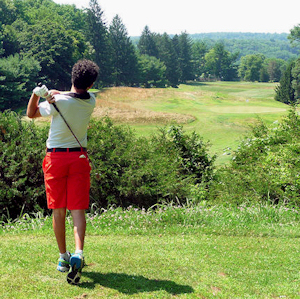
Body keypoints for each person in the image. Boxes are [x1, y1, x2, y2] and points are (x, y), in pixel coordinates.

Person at [27, 59, 99, 284]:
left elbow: (31, 114)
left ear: (72, 77)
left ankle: (62, 258)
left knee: (58, 210)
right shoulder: (91, 101)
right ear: (90, 84)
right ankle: (78, 252)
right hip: (78, 157)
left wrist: (37, 94)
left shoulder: (58, 100)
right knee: (77, 209)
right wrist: (55, 96)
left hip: (56, 158)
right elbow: (75, 95)